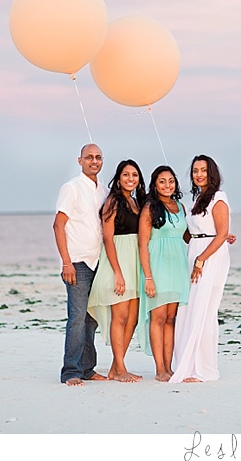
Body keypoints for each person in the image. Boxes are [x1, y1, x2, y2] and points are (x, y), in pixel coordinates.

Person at [169, 155, 231, 383]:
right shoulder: (198, 199)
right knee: (190, 310)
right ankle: (189, 365)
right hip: (195, 251)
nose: (199, 174)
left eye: (203, 170)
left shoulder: (218, 198)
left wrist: (201, 259)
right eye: (195, 170)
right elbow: (195, 232)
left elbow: (221, 233)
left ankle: (204, 370)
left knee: (204, 312)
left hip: (209, 257)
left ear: (211, 172)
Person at [53, 143, 109, 386]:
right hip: (78, 262)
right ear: (80, 161)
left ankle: (87, 368)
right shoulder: (71, 188)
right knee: (76, 318)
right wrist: (66, 262)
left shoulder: (103, 190)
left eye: (97, 157)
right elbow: (58, 225)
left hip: (99, 263)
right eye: (89, 157)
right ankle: (71, 372)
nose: (93, 161)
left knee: (91, 319)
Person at [87, 159, 146, 383]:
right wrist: (117, 272)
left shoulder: (137, 202)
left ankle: (115, 367)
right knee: (120, 317)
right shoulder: (113, 201)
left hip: (135, 263)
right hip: (118, 262)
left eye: (134, 175)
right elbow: (107, 238)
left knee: (132, 318)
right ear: (119, 179)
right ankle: (120, 369)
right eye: (126, 175)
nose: (130, 179)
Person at [137, 165, 190, 382]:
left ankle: (169, 367)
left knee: (171, 318)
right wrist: (148, 277)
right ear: (155, 184)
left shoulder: (180, 206)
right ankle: (160, 369)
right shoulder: (150, 208)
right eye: (162, 181)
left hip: (178, 266)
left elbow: (188, 236)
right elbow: (142, 243)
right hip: (157, 267)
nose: (167, 185)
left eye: (170, 181)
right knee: (157, 318)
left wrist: (219, 237)